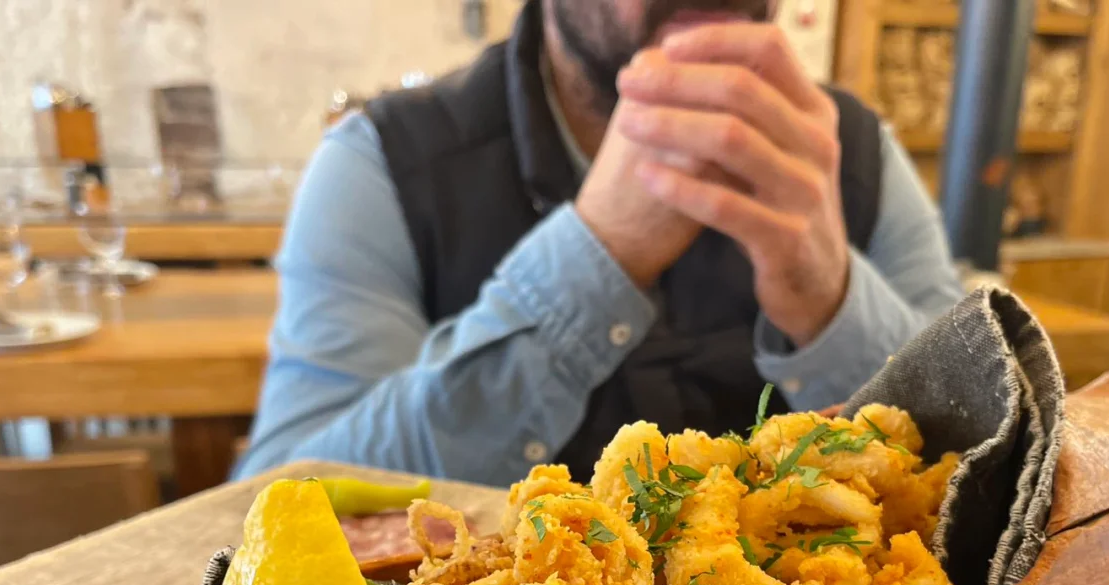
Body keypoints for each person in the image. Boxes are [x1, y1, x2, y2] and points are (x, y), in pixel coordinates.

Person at [235, 0, 963, 487]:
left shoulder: (853, 151)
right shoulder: (381, 165)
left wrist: (827, 297)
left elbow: (1001, 474)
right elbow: (267, 512)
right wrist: (596, 254)